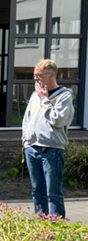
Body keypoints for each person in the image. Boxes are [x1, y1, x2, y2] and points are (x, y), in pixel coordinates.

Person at [21, 59, 75, 218]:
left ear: (51, 75)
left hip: (51, 150)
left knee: (53, 192)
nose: (36, 79)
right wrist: (26, 141)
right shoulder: (35, 95)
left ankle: (56, 226)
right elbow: (27, 118)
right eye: (34, 75)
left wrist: (45, 100)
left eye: (39, 75)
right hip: (32, 149)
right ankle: (41, 224)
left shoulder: (64, 96)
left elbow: (58, 120)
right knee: (37, 190)